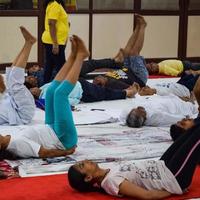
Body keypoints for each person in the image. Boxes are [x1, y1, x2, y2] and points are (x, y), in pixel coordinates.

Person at [0, 35, 88, 159]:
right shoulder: (16, 145)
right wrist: (66, 152)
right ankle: (80, 57)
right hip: (62, 138)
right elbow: (43, 153)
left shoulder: (9, 139)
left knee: (51, 91)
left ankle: (72, 56)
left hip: (50, 128)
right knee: (60, 94)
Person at [68, 123, 200, 199]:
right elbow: (146, 196)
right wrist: (174, 190)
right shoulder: (111, 182)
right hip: (172, 177)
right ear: (88, 178)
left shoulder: (108, 171)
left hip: (163, 165)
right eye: (82, 165)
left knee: (192, 130)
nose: (85, 160)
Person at [82, 14, 148, 90]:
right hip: (138, 76)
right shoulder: (111, 84)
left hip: (127, 70)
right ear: (102, 84)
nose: (96, 78)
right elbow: (129, 88)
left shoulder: (105, 78)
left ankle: (137, 28)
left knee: (126, 51)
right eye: (97, 80)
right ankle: (142, 26)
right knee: (133, 53)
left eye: (94, 80)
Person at [0, 26, 36, 125]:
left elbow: (2, 89)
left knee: (9, 75)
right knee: (14, 83)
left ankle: (27, 43)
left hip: (15, 103)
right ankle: (29, 43)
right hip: (23, 113)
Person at [123, 94, 198, 128]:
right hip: (176, 106)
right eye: (140, 111)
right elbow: (170, 118)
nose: (139, 108)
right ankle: (191, 102)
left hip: (163, 99)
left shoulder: (132, 112)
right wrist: (184, 117)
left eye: (135, 109)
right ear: (144, 118)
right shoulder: (155, 116)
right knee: (191, 106)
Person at [42, 0, 70, 84]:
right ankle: (63, 89)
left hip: (55, 41)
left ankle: (45, 87)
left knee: (49, 66)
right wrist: (55, 43)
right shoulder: (54, 5)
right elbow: (51, 23)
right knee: (62, 68)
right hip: (54, 42)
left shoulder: (57, 4)